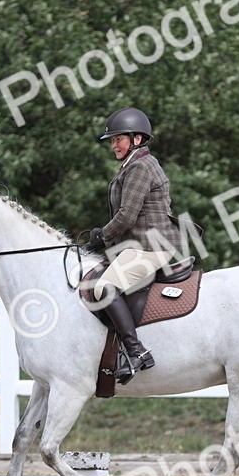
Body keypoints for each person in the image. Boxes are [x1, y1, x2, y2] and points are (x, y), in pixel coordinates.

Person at [84, 107, 184, 384]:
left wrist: (102, 235)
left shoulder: (140, 166)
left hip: (151, 247)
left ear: (137, 139)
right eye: (113, 140)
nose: (113, 145)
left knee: (105, 286)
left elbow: (127, 215)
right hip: (139, 245)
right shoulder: (135, 164)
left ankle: (136, 351)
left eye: (118, 139)